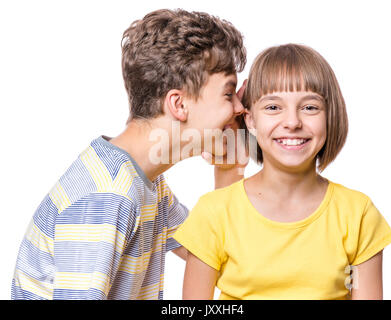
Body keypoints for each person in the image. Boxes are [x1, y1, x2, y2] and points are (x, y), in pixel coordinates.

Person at [11, 9, 247, 300]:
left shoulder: (147, 183)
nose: (240, 108)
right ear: (179, 104)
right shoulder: (106, 196)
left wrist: (230, 169)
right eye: (229, 94)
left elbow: (212, 254)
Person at [173, 44, 391, 300]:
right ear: (250, 119)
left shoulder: (358, 214)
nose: (292, 122)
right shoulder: (213, 212)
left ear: (330, 115)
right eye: (273, 107)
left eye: (310, 107)